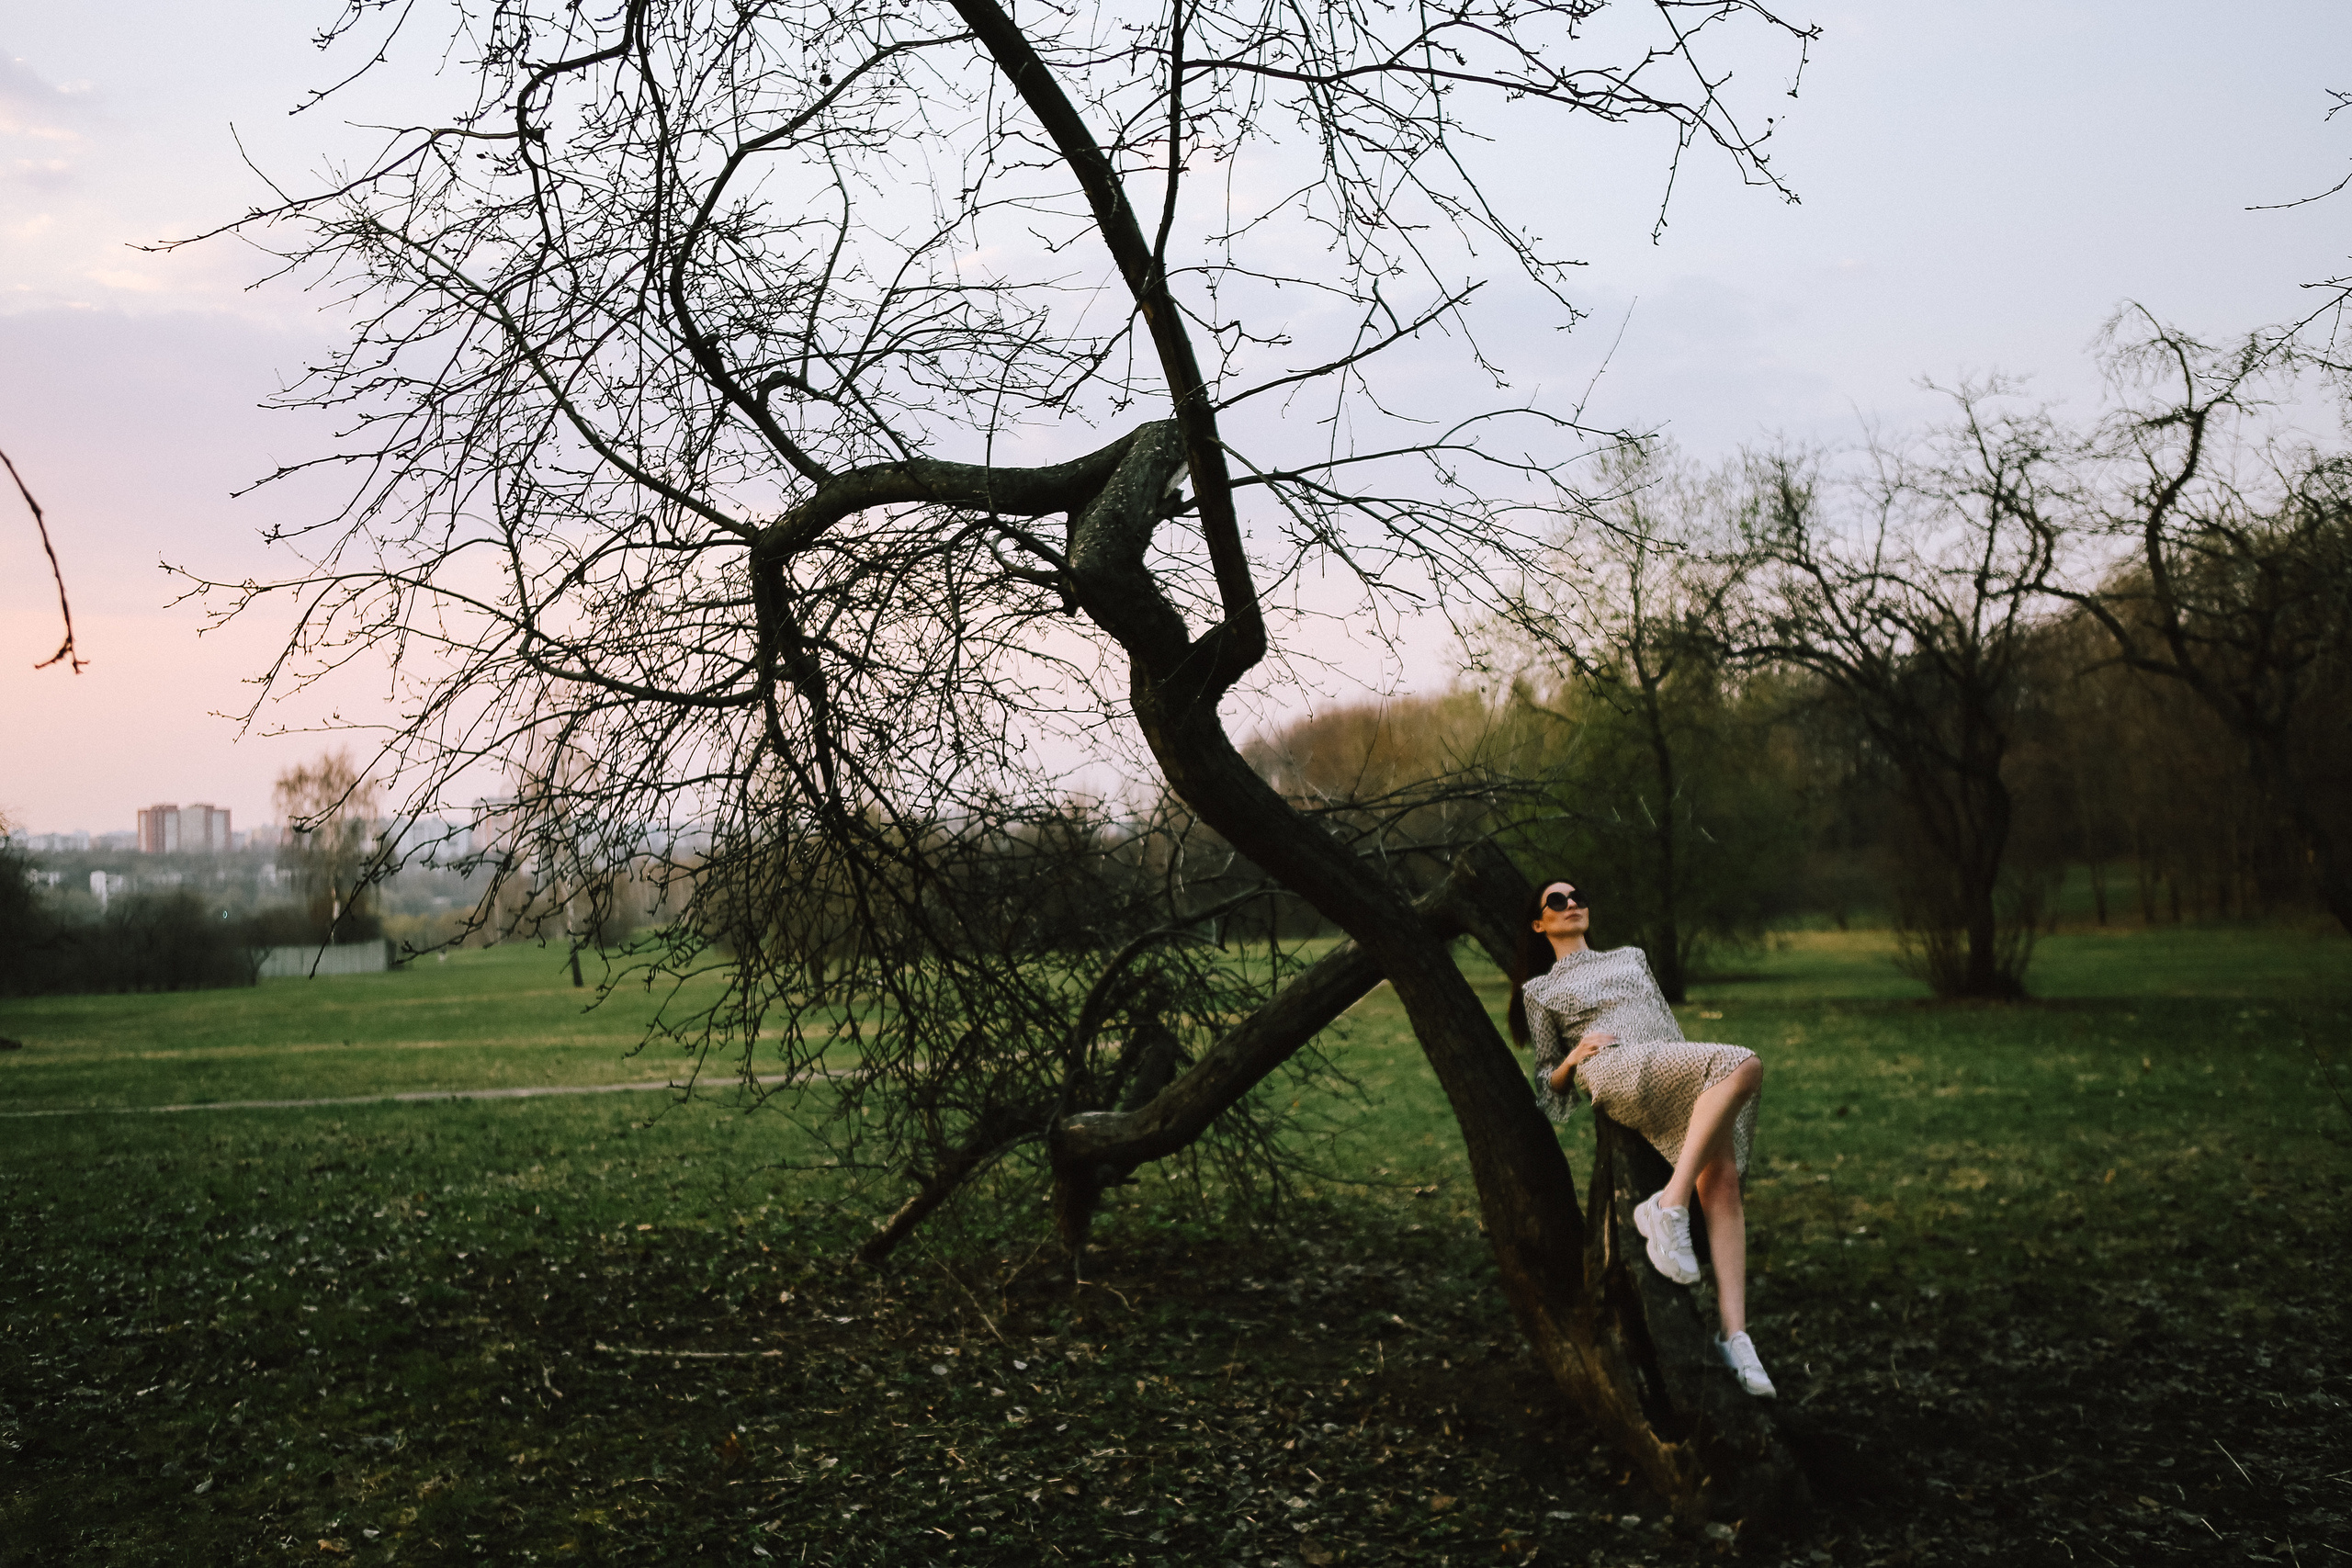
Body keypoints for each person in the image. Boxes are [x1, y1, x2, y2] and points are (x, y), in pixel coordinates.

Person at [1508, 878, 1776, 1398]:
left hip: (1670, 1064)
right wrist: (1573, 1056)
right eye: (1556, 902)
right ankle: (1668, 1205)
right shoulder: (1539, 990)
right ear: (1539, 924)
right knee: (1745, 1062)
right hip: (1616, 1069)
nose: (1572, 905)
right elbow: (1546, 1083)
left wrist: (1698, 1075)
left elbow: (1665, 1022)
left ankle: (1736, 1337)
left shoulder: (1631, 957)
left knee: (1720, 1184)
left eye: (1578, 896)